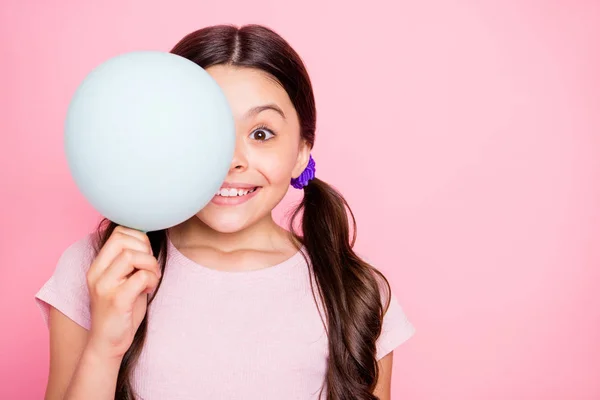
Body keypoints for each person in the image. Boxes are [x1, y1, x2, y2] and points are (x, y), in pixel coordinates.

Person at [35, 24, 415, 400]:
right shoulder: (99, 269)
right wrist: (105, 347)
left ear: (301, 151)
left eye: (261, 133)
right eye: (205, 130)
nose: (231, 160)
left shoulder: (357, 292)